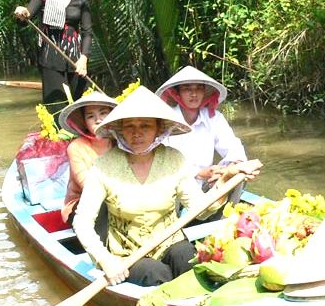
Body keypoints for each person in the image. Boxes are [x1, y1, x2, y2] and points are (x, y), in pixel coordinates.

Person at [72, 86, 261, 287]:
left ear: (158, 129)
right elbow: (82, 222)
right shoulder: (104, 167)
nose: (137, 133)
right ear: (120, 131)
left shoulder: (174, 160)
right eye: (129, 127)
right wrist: (106, 260)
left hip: (169, 244)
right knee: (155, 273)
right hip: (128, 255)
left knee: (187, 257)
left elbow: (201, 210)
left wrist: (226, 178)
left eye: (145, 126)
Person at [13, 0, 94, 114]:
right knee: (56, 106)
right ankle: (56, 138)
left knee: (83, 104)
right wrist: (22, 13)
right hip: (50, 55)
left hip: (75, 58)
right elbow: (25, 17)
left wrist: (83, 59)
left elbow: (87, 32)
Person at [155, 66, 247, 187]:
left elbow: (233, 147)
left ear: (204, 92)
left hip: (206, 184)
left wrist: (228, 169)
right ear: (177, 93)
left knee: (239, 177)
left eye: (199, 88)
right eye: (187, 88)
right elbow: (160, 163)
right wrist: (197, 174)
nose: (194, 94)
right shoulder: (165, 119)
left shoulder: (213, 118)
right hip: (173, 185)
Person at [58, 92, 118, 239]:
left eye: (103, 113)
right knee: (103, 205)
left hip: (119, 200)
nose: (98, 120)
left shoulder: (121, 143)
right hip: (83, 205)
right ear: (84, 122)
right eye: (91, 116)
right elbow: (88, 187)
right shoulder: (76, 147)